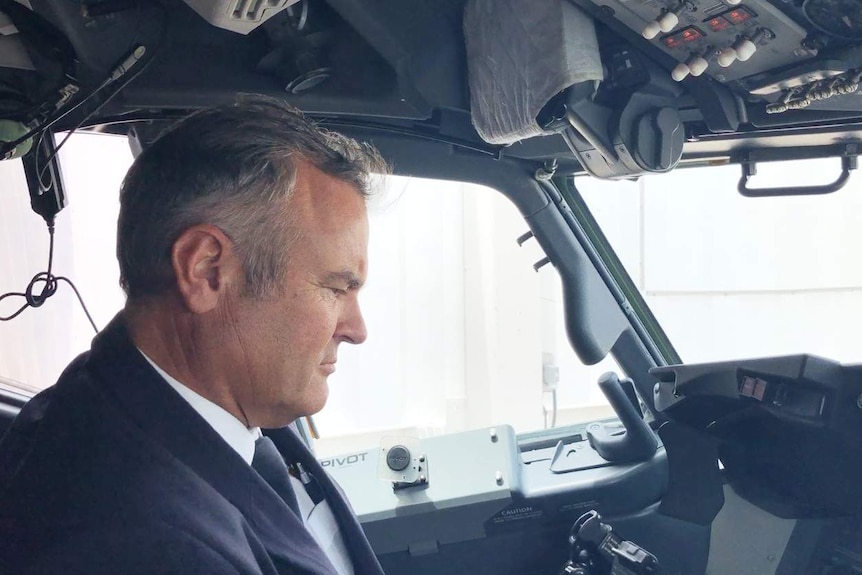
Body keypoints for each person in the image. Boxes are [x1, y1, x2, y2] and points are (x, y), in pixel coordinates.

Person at [0, 95, 389, 575]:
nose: (356, 330)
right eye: (334, 288)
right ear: (206, 270)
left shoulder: (197, 405)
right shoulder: (141, 543)